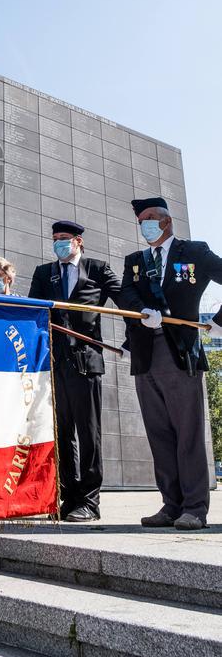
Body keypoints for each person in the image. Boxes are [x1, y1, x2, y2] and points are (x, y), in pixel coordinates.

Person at [119, 196, 222, 530]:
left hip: (180, 352)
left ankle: (195, 507)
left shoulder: (192, 252)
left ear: (165, 221)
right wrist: (143, 312)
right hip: (145, 353)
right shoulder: (135, 261)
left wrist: (220, 321)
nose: (144, 225)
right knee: (159, 433)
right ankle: (171, 504)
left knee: (187, 432)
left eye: (149, 218)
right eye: (140, 221)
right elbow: (126, 295)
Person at [29, 221, 121, 522]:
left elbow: (125, 300)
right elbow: (33, 312)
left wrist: (146, 315)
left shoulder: (97, 268)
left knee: (88, 432)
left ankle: (90, 502)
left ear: (78, 241)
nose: (58, 243)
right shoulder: (45, 273)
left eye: (64, 239)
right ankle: (68, 498)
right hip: (55, 363)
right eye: (55, 239)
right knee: (62, 433)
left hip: (86, 361)